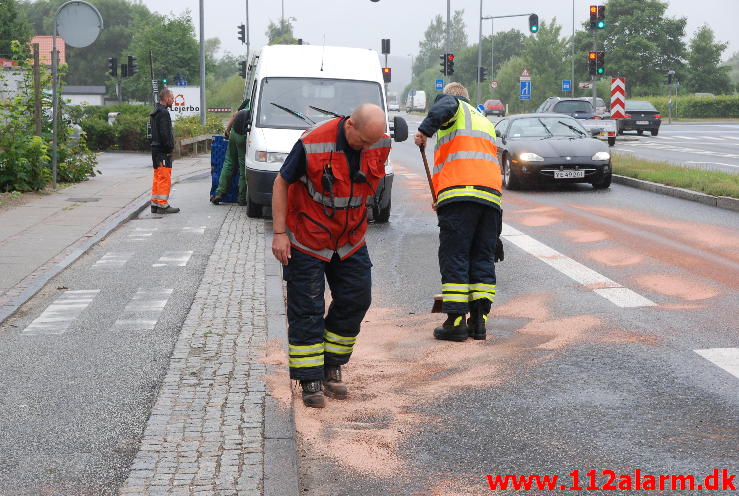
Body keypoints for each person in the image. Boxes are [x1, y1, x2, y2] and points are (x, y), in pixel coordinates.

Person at [271, 104, 390, 408]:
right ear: (349, 125)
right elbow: (281, 182)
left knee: (356, 298)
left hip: (350, 239)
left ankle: (330, 363)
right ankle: (310, 378)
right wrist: (280, 233)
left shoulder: (380, 142)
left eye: (372, 143)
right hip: (309, 237)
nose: (367, 148)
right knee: (307, 306)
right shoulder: (313, 143)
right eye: (362, 142)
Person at [414, 82, 504, 342]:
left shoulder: (455, 107)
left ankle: (455, 322)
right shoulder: (484, 121)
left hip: (461, 196)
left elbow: (447, 103)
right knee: (482, 257)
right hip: (489, 200)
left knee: (455, 256)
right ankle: (479, 321)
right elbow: (478, 164)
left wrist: (425, 130)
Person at [211, 102, 250, 206]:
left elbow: (235, 115)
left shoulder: (247, 102)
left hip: (234, 133)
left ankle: (219, 193)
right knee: (243, 168)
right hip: (244, 136)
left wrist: (227, 130)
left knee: (228, 162)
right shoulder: (258, 103)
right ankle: (242, 198)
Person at [149, 88, 179, 214]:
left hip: (155, 149)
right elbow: (165, 133)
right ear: (166, 98)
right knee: (164, 178)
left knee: (158, 176)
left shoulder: (155, 112)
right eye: (172, 98)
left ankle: (155, 203)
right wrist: (169, 149)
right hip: (162, 150)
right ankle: (162, 205)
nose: (173, 101)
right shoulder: (164, 113)